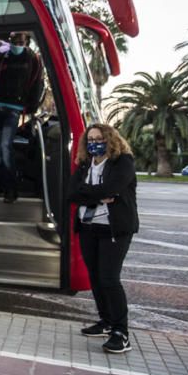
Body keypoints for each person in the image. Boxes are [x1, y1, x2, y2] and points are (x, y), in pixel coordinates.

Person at [66, 123, 139, 354]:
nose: (93, 143)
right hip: (89, 228)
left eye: (99, 138)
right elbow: (70, 193)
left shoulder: (122, 162)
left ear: (110, 139)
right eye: (90, 139)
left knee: (109, 278)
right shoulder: (86, 163)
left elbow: (113, 187)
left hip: (114, 230)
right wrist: (99, 196)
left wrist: (87, 194)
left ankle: (121, 333)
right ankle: (106, 322)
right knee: (95, 278)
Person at [0, 32, 43, 203]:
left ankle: (11, 189)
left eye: (21, 41)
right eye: (14, 41)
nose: (17, 44)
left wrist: (31, 107)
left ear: (27, 42)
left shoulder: (33, 59)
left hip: (14, 109)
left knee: (5, 146)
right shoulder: (3, 57)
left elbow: (37, 83)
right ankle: (1, 185)